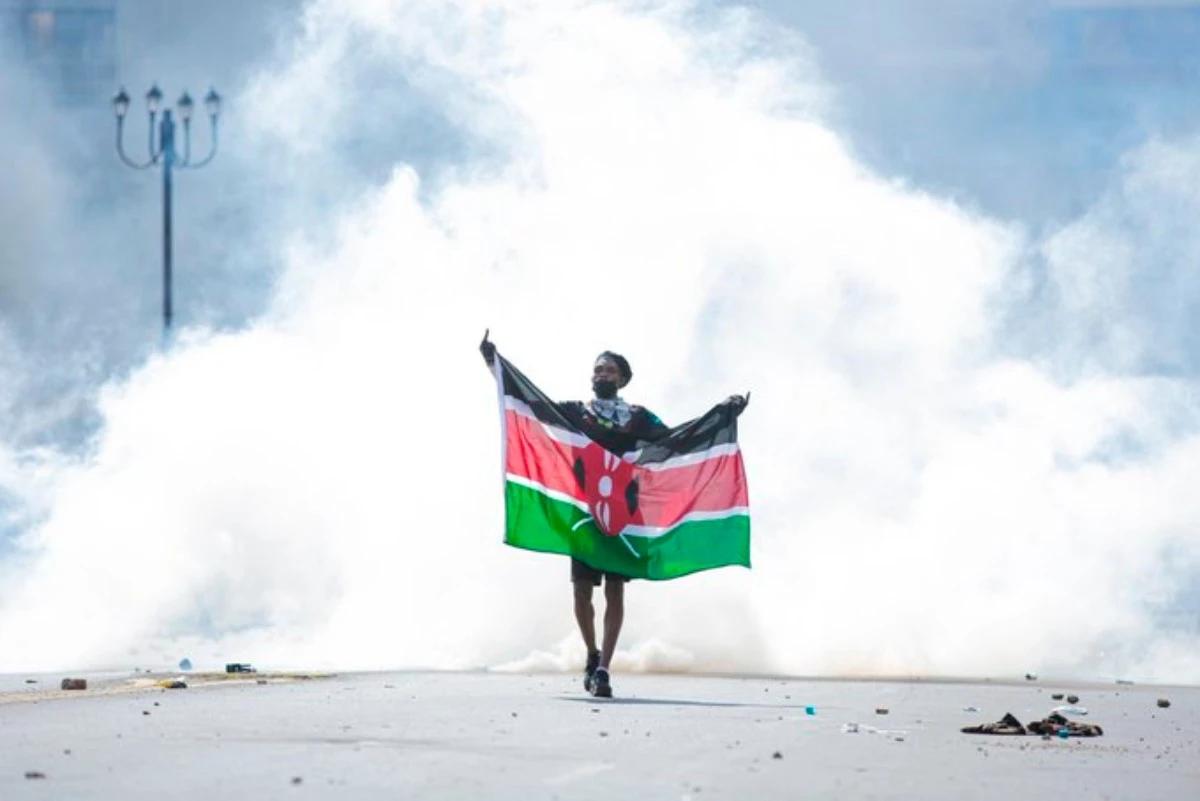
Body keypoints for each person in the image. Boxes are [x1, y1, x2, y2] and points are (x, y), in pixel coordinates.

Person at [480, 333, 746, 698]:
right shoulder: (577, 412)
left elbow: (676, 438)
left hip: (623, 514)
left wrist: (722, 414)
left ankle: (604, 667)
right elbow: (530, 403)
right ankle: (591, 654)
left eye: (609, 370)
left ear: (622, 378)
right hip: (585, 513)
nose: (601, 374)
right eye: (597, 369)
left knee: (616, 591)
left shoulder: (637, 417)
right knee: (581, 591)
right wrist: (494, 365)